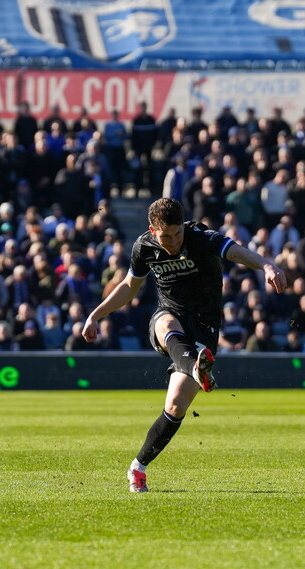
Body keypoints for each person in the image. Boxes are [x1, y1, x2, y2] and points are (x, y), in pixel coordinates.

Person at [82, 198, 286, 493]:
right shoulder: (144, 247)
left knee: (176, 405)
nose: (174, 241)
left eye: (178, 233)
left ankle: (137, 467)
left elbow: (235, 251)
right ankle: (195, 367)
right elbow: (128, 287)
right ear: (153, 230)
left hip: (204, 327)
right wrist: (95, 315)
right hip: (170, 317)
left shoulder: (200, 237)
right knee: (166, 323)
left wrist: (266, 264)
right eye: (167, 236)